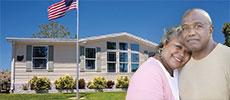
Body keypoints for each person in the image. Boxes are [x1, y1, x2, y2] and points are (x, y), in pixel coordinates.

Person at [126, 26, 192, 100]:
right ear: (165, 42)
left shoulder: (174, 72)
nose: (182, 54)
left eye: (188, 52)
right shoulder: (149, 74)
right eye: (178, 47)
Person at [179, 8, 230, 99]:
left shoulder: (227, 57)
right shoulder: (181, 65)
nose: (191, 33)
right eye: (185, 28)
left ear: (210, 30)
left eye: (198, 26)